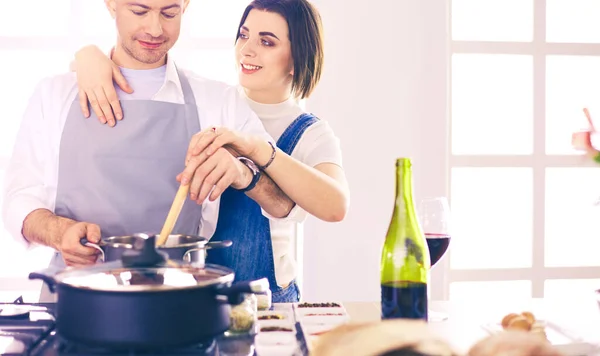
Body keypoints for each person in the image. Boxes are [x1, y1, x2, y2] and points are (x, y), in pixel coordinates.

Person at [0, 0, 289, 302]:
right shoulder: (55, 94)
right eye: (139, 11)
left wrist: (242, 173)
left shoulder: (218, 101)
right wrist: (58, 232)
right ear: (110, 4)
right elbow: (18, 200)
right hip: (74, 300)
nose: (155, 29)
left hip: (180, 300)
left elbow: (283, 203)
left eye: (169, 13)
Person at [71, 0, 349, 302]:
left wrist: (259, 150)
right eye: (244, 35)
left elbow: (335, 206)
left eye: (267, 41)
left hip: (266, 301)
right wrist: (86, 57)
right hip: (200, 293)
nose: (247, 50)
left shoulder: (310, 134)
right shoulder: (215, 104)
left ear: (298, 58)